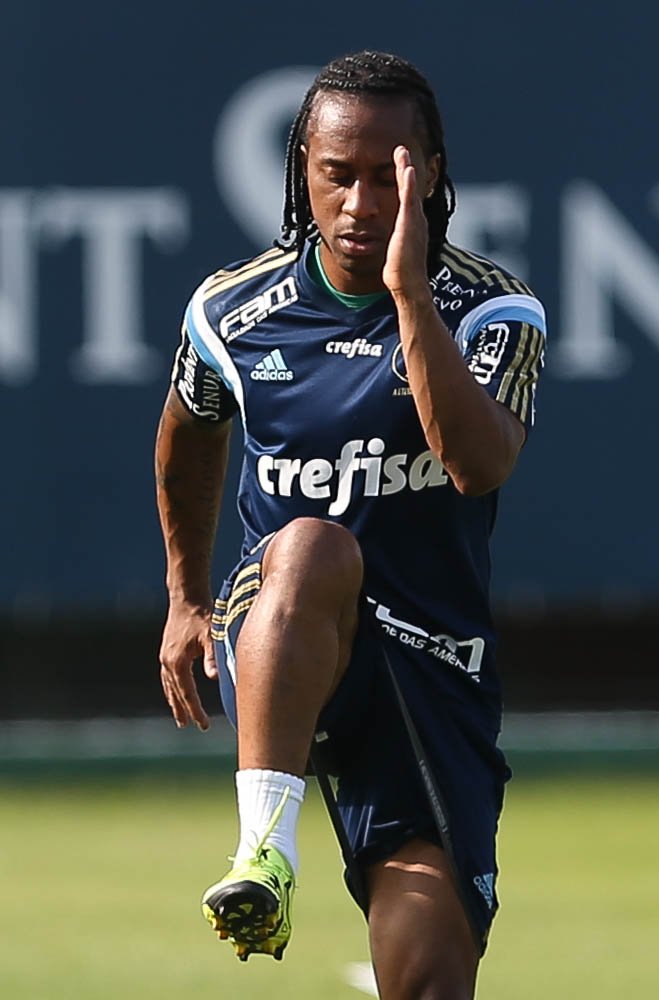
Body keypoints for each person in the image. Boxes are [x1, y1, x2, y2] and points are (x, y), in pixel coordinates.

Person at [155, 49, 545, 999]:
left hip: (427, 661)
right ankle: (264, 856)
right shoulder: (235, 312)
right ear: (303, 175)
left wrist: (411, 297)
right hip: (282, 629)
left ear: (432, 175)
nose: (362, 202)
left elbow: (478, 463)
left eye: (388, 175)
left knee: (432, 978)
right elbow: (185, 437)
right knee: (314, 546)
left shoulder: (493, 310)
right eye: (339, 174)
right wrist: (185, 597)